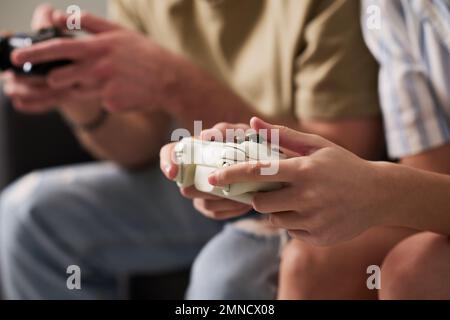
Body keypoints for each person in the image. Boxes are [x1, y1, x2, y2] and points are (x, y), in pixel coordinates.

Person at [0, 1, 381, 299]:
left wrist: (174, 81)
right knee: (27, 214)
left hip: (292, 199)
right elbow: (139, 147)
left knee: (227, 274)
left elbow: (341, 158)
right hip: (196, 184)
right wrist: (80, 96)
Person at [180, 0, 450, 299]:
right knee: (303, 265)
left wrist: (376, 189)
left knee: (412, 274)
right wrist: (271, 165)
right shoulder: (393, 7)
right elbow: (430, 176)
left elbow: (356, 149)